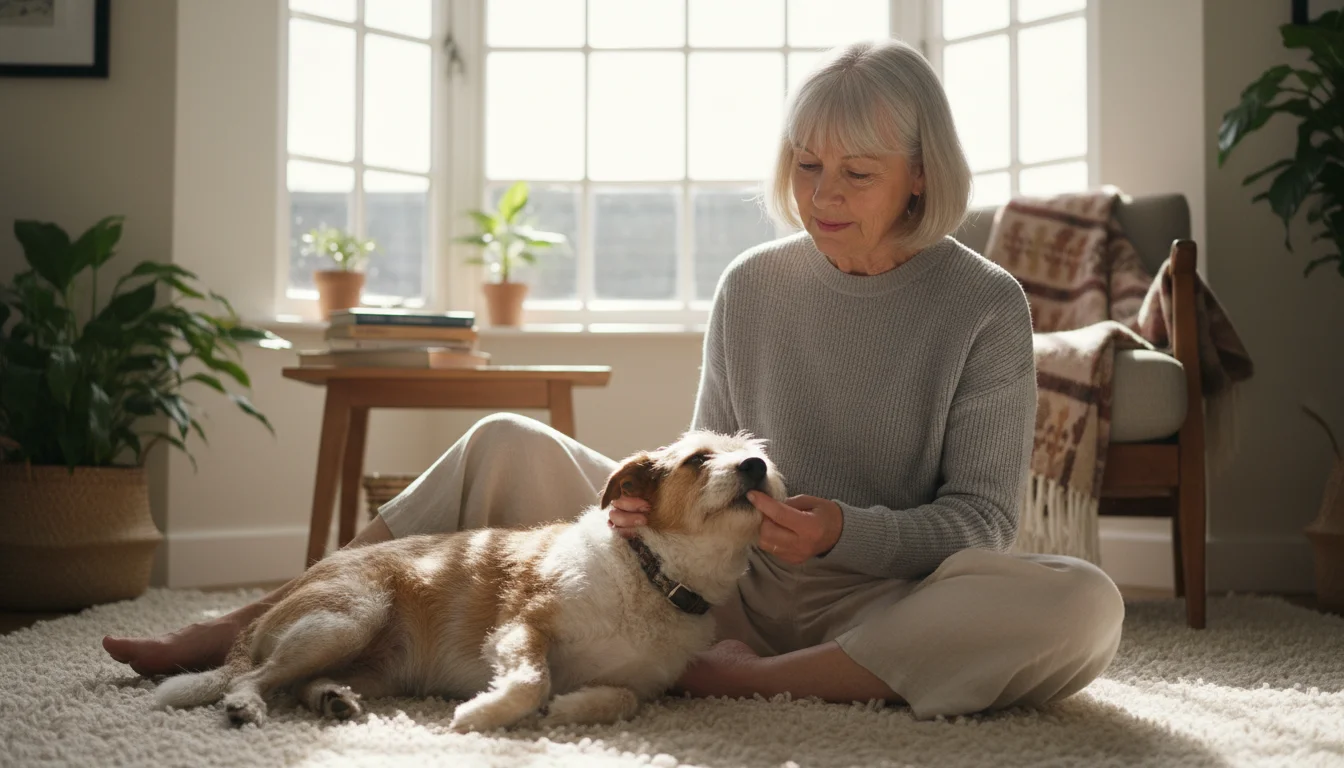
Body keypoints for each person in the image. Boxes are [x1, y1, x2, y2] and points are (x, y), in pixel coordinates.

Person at [104, 38, 1124, 720]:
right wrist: (647, 509)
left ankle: (762, 683)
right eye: (807, 167)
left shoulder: (982, 305)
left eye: (856, 174)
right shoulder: (754, 284)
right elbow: (702, 461)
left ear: (920, 173)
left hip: (882, 609)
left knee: (1082, 603)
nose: (822, 196)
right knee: (506, 438)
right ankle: (239, 628)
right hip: (716, 582)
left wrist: (845, 530)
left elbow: (984, 525)